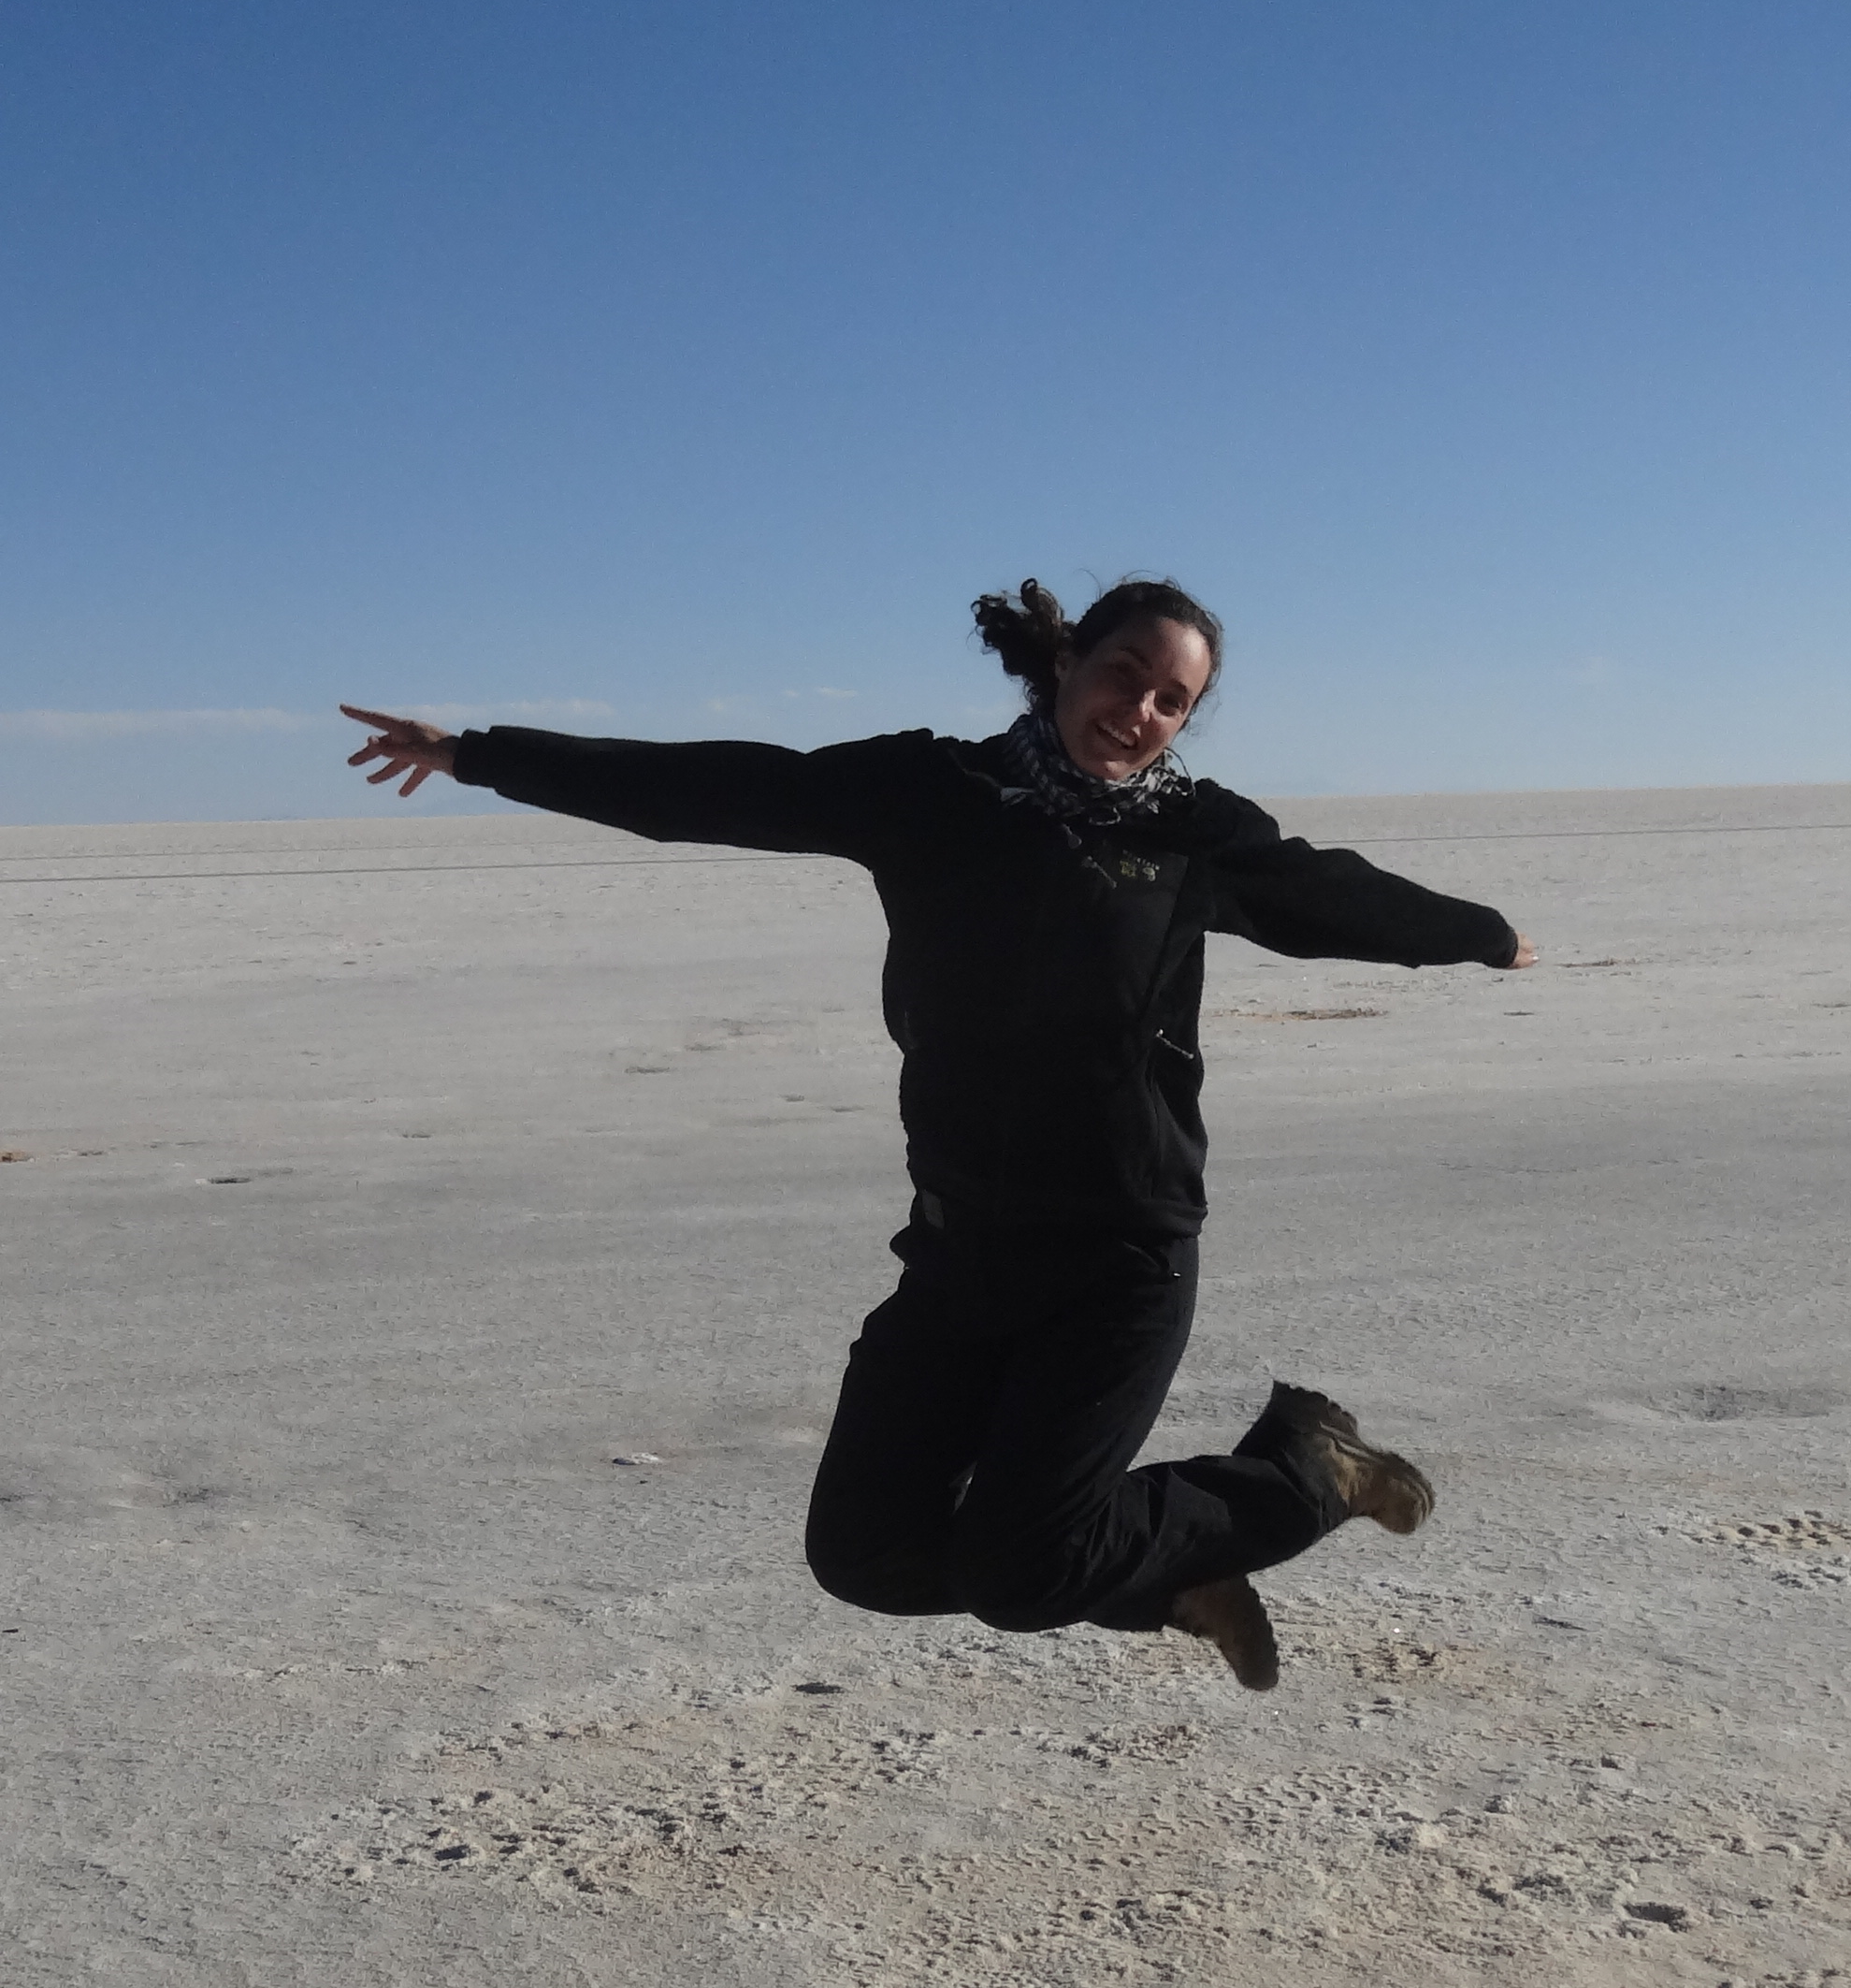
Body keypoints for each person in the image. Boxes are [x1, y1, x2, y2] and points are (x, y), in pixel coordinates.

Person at [340, 576, 1529, 1691]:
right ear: (1065, 663)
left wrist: (1482, 934)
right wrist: (481, 755)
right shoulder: (931, 792)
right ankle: (1171, 1572)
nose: (1140, 712)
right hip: (961, 1248)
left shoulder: (1191, 837)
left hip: (1119, 1253)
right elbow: (722, 787)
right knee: (867, 1555)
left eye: (1173, 700)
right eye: (1125, 675)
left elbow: (1337, 898)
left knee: (1021, 1570)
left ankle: (1302, 1474)